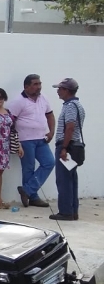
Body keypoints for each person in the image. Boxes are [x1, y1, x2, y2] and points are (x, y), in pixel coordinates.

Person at [7, 74, 55, 208]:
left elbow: (50, 115)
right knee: (28, 168)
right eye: (35, 84)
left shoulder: (43, 98)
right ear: (26, 86)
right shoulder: (18, 101)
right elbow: (10, 122)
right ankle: (33, 197)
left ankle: (27, 190)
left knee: (49, 162)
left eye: (39, 84)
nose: (38, 87)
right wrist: (16, 141)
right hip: (25, 140)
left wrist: (51, 132)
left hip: (42, 138)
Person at [50, 78, 85, 221]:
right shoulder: (77, 105)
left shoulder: (70, 106)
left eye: (60, 89)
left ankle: (65, 211)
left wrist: (64, 148)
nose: (58, 91)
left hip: (67, 146)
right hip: (74, 145)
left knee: (63, 179)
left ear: (66, 90)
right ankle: (73, 210)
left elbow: (70, 127)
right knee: (71, 179)